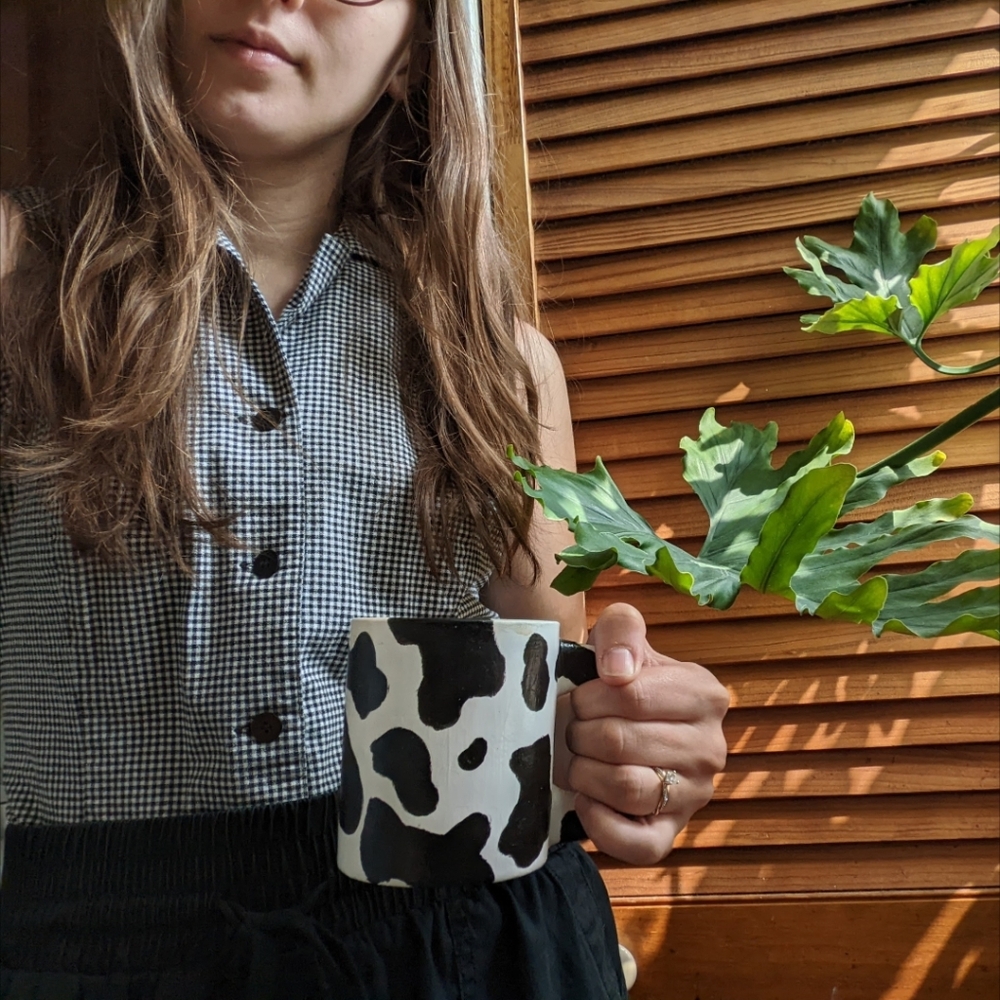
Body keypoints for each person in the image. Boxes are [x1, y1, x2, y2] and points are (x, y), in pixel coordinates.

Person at [0, 1, 729, 997]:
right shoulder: (17, 283)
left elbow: (550, 721)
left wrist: (631, 746)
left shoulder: (503, 363)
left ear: (411, 52)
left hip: (471, 947)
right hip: (95, 951)